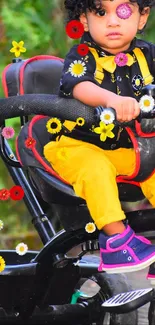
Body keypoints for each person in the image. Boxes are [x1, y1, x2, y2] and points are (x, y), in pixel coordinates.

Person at [44, 0, 155, 275]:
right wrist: (112, 100)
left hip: (127, 150)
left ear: (142, 17)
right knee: (95, 167)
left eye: (124, 11)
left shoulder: (147, 55)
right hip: (76, 146)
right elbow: (78, 86)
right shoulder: (82, 54)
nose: (113, 21)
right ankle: (116, 240)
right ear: (83, 19)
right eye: (101, 12)